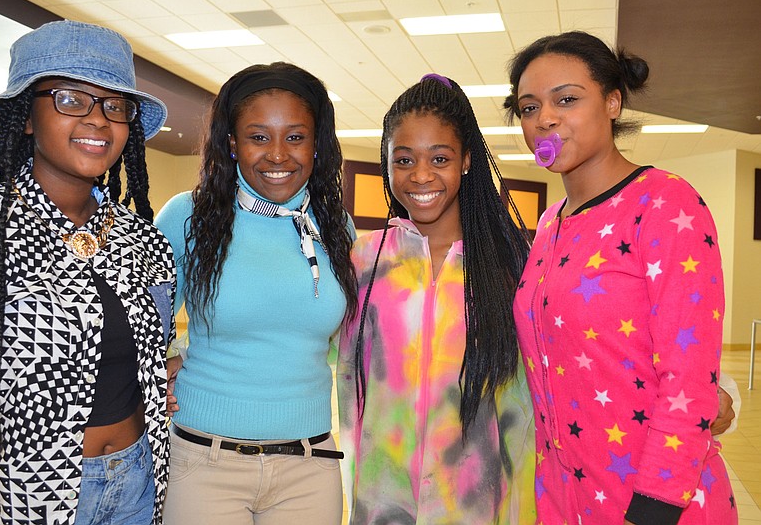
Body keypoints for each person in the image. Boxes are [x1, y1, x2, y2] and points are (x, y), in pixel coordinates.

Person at [0, 20, 176, 525]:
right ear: (27, 117)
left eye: (114, 105)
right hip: (26, 498)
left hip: (140, 486)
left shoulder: (144, 240)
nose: (98, 119)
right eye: (70, 99)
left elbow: (145, 359)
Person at [504, 31, 737, 524]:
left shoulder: (665, 203)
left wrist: (653, 510)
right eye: (529, 108)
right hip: (565, 497)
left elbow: (688, 374)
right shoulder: (549, 224)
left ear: (612, 102)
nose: (544, 119)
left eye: (567, 100)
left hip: (654, 503)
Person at [155, 61, 358, 524]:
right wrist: (159, 367)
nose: (278, 155)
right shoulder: (188, 217)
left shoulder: (335, 226)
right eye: (259, 137)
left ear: (317, 144)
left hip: (310, 465)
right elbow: (140, 323)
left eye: (295, 136)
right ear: (232, 143)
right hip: (204, 463)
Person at [337, 74, 536, 524]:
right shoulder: (364, 263)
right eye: (404, 159)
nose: (421, 175)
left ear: (466, 160)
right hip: (382, 504)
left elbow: (537, 391)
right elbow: (306, 349)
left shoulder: (509, 268)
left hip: (476, 506)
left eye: (440, 158)